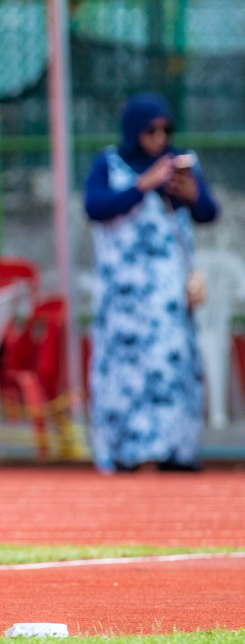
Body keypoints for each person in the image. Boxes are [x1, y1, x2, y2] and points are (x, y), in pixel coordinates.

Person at [83, 92, 218, 473]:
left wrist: (192, 194)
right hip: (124, 297)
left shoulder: (180, 164)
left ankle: (175, 450)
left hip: (168, 296)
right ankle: (128, 452)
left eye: (165, 129)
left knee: (172, 367)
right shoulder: (110, 164)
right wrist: (143, 184)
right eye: (151, 130)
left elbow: (208, 212)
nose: (159, 138)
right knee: (125, 372)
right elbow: (95, 207)